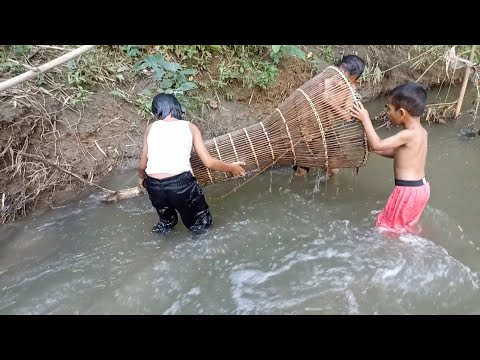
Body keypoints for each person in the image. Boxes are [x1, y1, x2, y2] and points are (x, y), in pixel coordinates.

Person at [137, 93, 246, 234]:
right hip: (181, 185)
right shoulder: (190, 127)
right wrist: (232, 168)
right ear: (176, 107)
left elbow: (142, 165)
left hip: (154, 186)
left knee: (166, 223)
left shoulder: (150, 128)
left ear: (156, 112)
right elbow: (208, 162)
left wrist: (141, 178)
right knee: (201, 225)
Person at [351, 82, 430, 234]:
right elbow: (398, 154)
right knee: (405, 226)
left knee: (388, 230)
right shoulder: (421, 132)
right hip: (421, 188)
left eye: (389, 108)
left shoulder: (406, 135)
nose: (387, 112)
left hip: (407, 190)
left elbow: (378, 144)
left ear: (401, 113)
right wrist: (374, 149)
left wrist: (365, 119)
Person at [294, 54, 366, 177]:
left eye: (345, 80)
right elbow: (301, 104)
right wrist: (304, 130)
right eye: (339, 75)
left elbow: (347, 116)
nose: (339, 82)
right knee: (302, 169)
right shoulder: (324, 81)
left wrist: (329, 101)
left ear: (354, 81)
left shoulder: (350, 89)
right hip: (309, 130)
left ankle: (325, 188)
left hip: (328, 130)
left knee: (334, 169)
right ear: (336, 69)